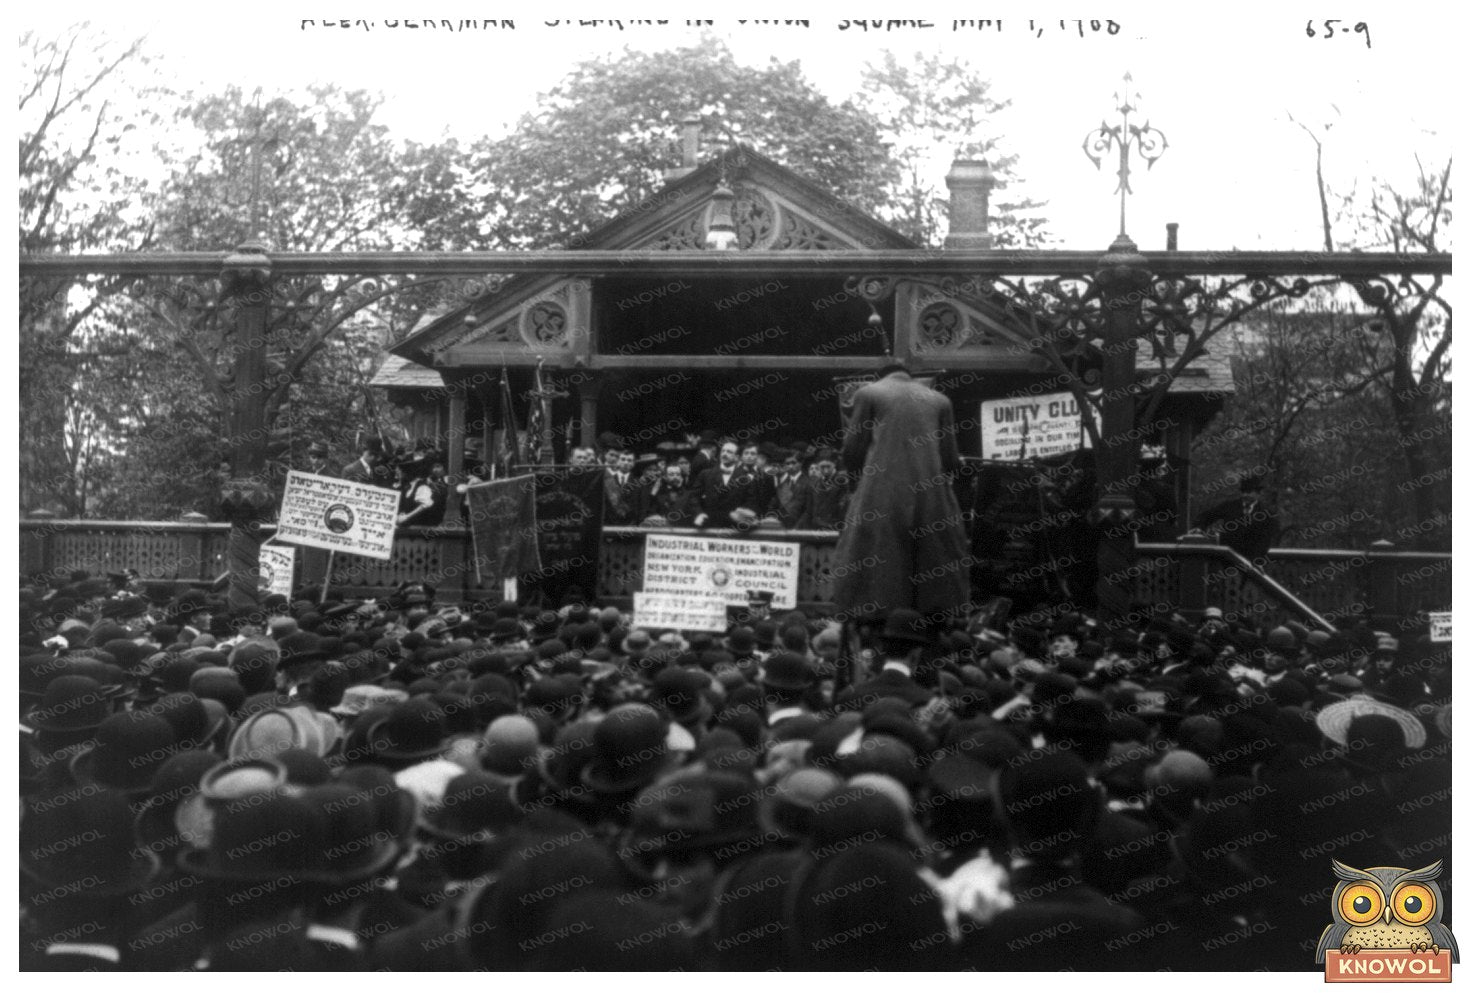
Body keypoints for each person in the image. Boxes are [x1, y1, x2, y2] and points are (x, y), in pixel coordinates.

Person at [830, 362, 971, 624]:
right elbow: (951, 458)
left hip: (882, 490)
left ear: (880, 376)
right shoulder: (941, 401)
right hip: (930, 495)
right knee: (935, 560)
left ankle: (874, 621)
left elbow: (852, 451)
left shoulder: (868, 394)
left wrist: (859, 486)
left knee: (873, 558)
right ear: (911, 377)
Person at [1193, 471, 1280, 565]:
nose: (1245, 495)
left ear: (1258, 493)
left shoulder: (1266, 515)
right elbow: (1207, 516)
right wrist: (1199, 527)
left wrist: (1257, 561)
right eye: (1244, 491)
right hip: (1227, 560)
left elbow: (1265, 542)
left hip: (1251, 564)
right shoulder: (1230, 506)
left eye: (1249, 492)